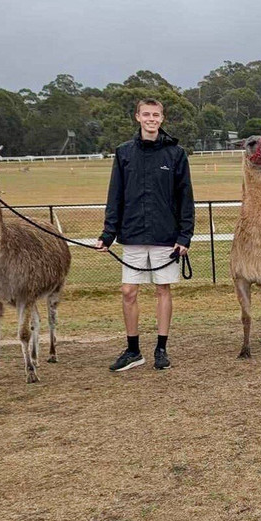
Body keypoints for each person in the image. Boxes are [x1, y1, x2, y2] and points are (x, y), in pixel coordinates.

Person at [98, 98, 194, 371]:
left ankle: (161, 348)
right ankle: (133, 350)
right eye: (146, 114)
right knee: (128, 291)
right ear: (138, 117)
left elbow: (185, 198)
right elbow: (115, 195)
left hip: (166, 237)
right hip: (133, 235)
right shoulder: (124, 153)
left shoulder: (176, 154)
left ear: (162, 119)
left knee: (163, 290)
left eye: (156, 115)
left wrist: (184, 236)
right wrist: (108, 234)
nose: (151, 119)